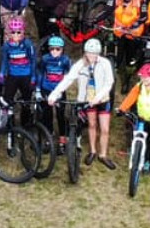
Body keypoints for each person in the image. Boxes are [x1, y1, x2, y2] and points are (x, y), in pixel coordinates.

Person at [47, 37, 116, 168]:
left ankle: (103, 155)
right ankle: (92, 151)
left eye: (95, 53)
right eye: (89, 53)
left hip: (102, 99)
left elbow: (109, 82)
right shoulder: (80, 64)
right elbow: (68, 79)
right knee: (92, 124)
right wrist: (54, 94)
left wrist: (99, 97)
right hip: (87, 99)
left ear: (99, 53)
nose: (92, 56)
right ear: (85, 53)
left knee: (105, 128)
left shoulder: (105, 63)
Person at [0, 17, 37, 111]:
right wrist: (2, 72)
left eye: (18, 32)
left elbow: (33, 60)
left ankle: (26, 122)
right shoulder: (6, 45)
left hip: (26, 75)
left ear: (23, 32)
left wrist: (33, 76)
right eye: (13, 32)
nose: (15, 35)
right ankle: (9, 121)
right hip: (12, 75)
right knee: (7, 100)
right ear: (9, 33)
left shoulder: (28, 44)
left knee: (26, 101)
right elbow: (5, 60)